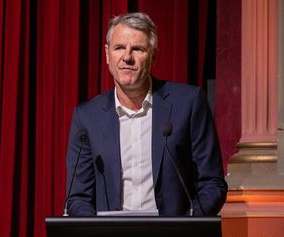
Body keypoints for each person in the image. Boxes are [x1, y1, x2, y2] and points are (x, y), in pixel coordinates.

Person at [65, 12, 227, 216]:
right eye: (119, 48)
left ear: (154, 57)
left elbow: (212, 183)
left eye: (138, 49)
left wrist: (185, 227)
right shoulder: (87, 117)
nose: (127, 57)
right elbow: (78, 198)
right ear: (107, 55)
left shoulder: (189, 103)